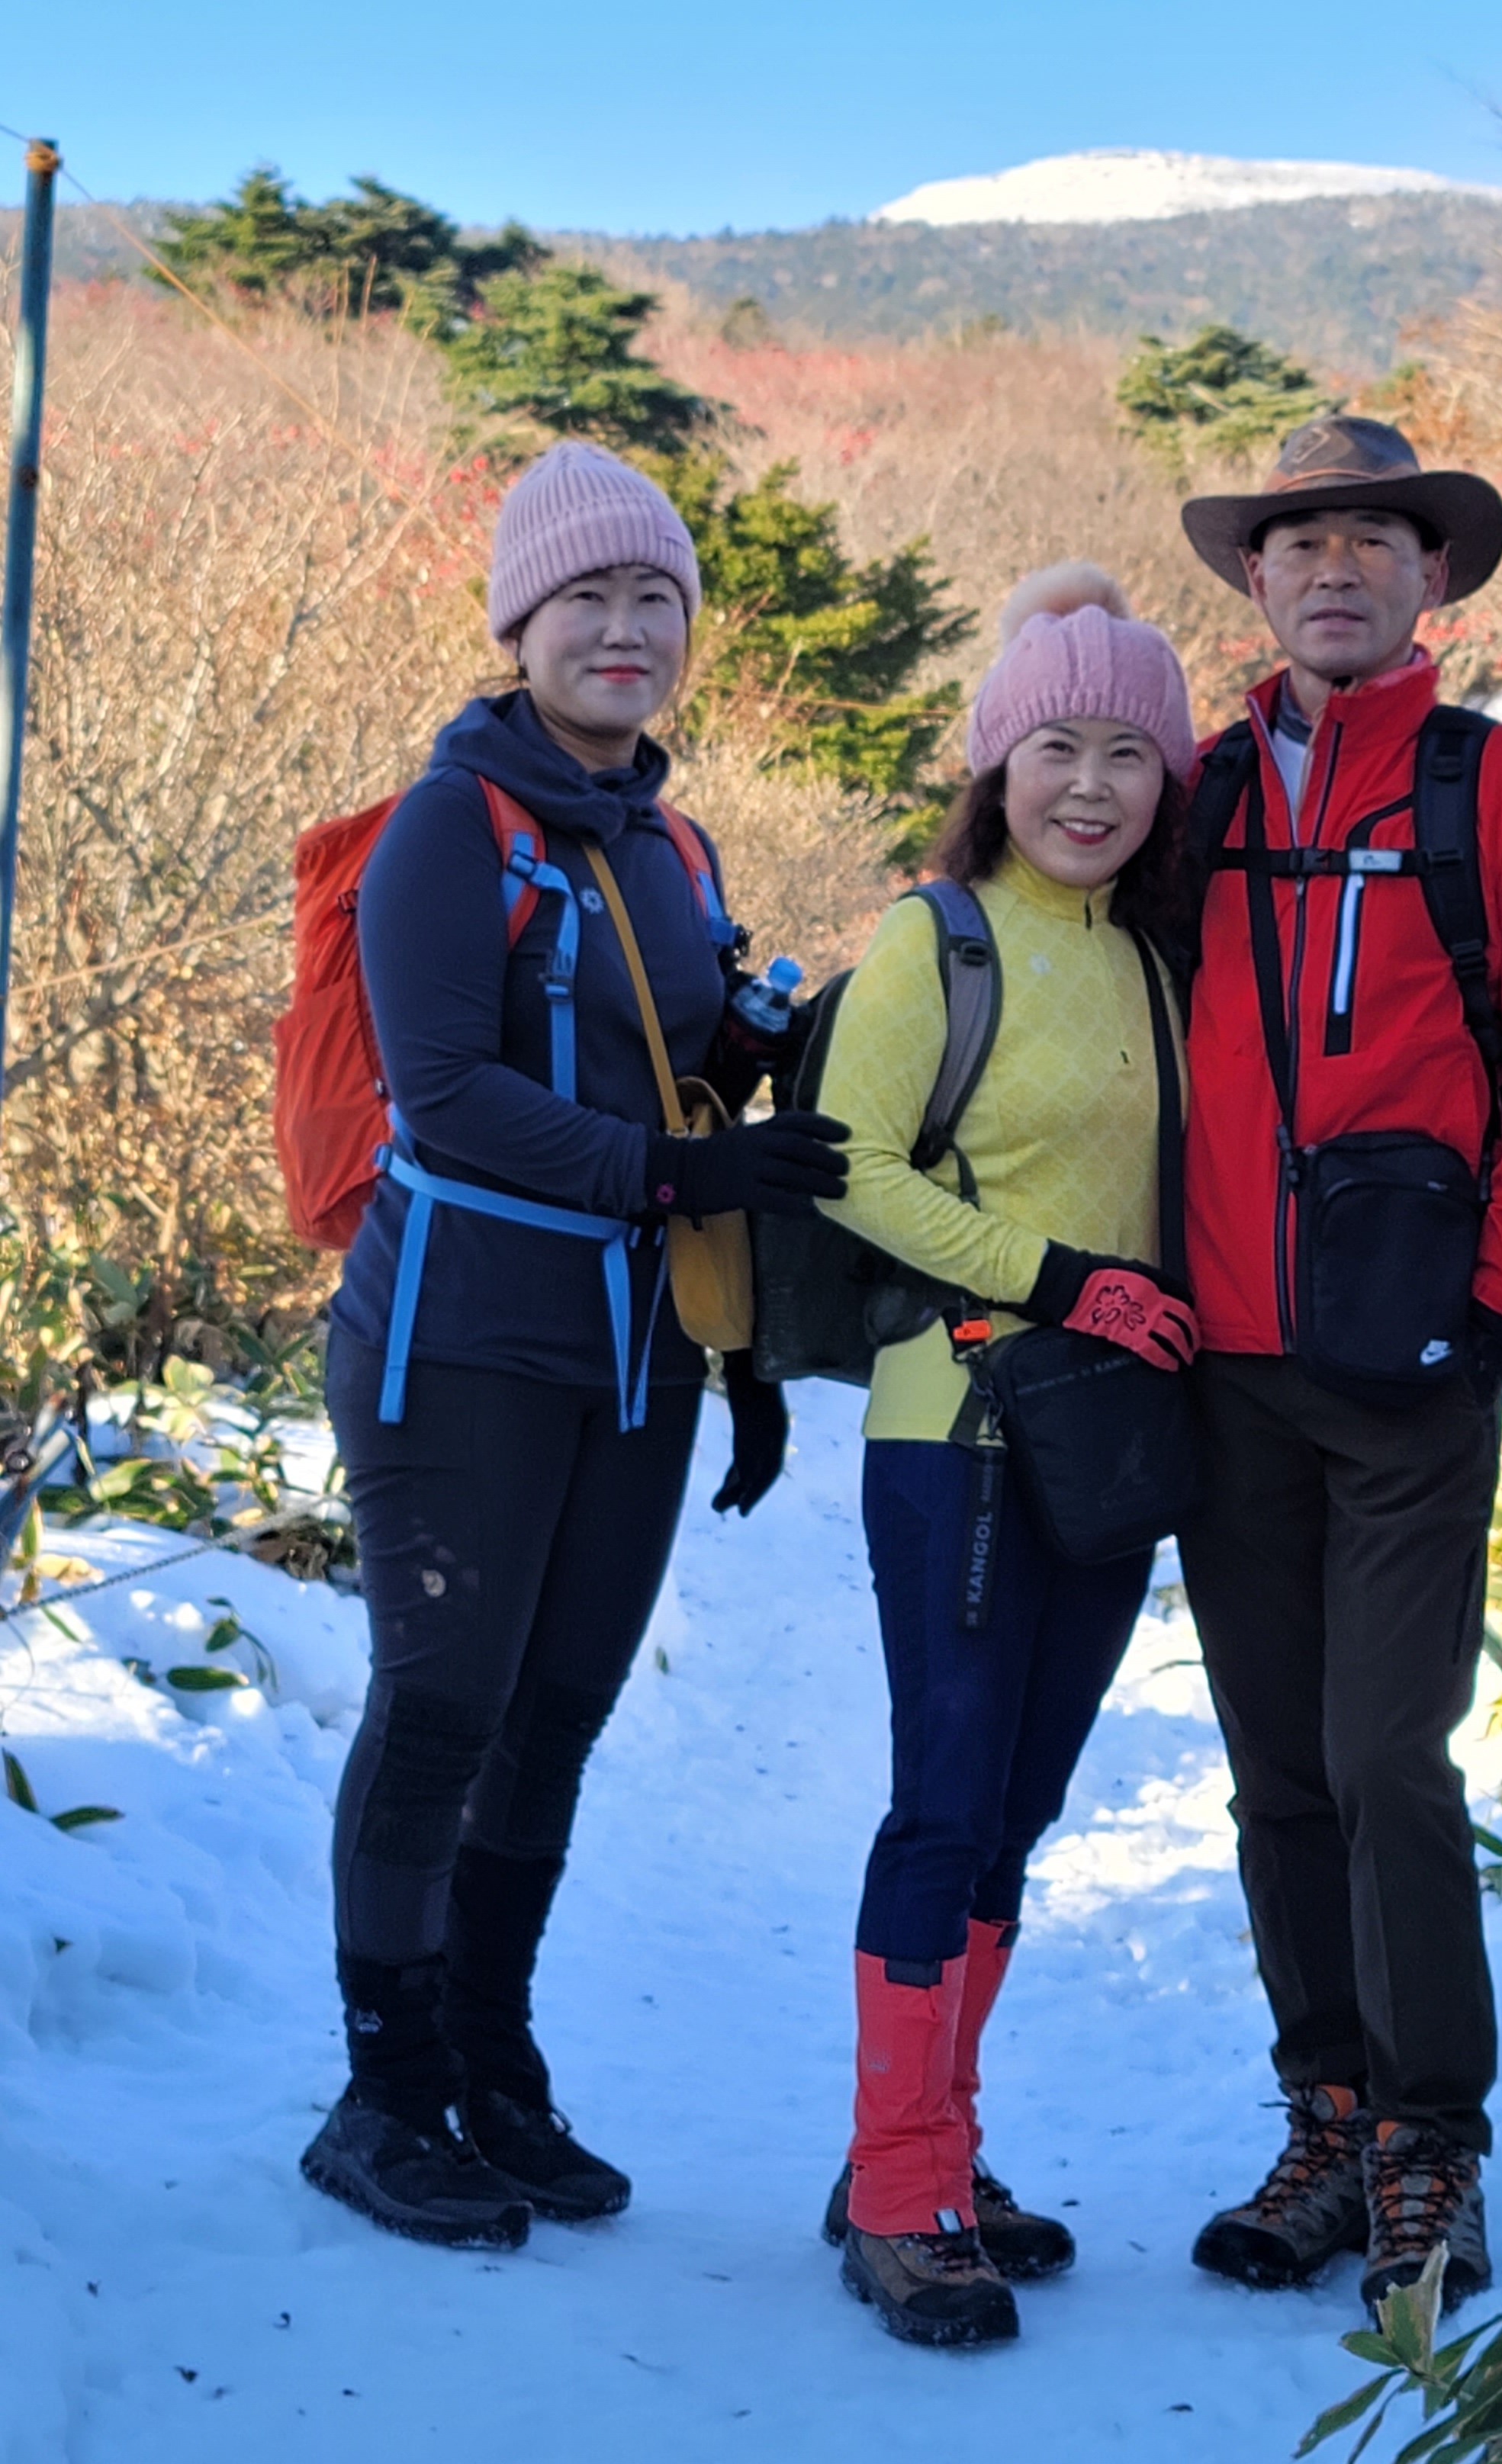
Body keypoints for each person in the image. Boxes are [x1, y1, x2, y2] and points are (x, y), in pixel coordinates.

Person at [302, 441, 848, 2251]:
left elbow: (677, 1082)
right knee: (443, 1704)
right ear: (520, 625)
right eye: (588, 597)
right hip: (458, 1334)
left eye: (656, 598)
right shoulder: (448, 827)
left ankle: (491, 2058)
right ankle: (384, 2095)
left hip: (638, 1354)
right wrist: (679, 1171)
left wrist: (744, 1353)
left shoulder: (671, 843)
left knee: (556, 1717)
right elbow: (447, 1092)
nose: (626, 629)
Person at [1176, 414, 1502, 2313]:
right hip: (1223, 1358)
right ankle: (1330, 2111)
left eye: (1375, 537)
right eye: (1300, 541)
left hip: (1413, 1363)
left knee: (1387, 1756)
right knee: (1278, 1768)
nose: (1336, 567)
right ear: (1256, 578)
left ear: (1432, 574)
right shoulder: (1191, 795)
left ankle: (1429, 2139)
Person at [814, 564, 1198, 2350]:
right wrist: (1062, 1279)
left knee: (1023, 1805)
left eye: (1130, 751)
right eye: (1058, 746)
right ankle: (899, 2189)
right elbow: (849, 1162)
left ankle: (932, 2150)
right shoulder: (940, 937)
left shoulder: (1152, 956)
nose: (1091, 785)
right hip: (956, 1423)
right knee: (947, 1797)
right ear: (998, 761)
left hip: (1102, 1443)